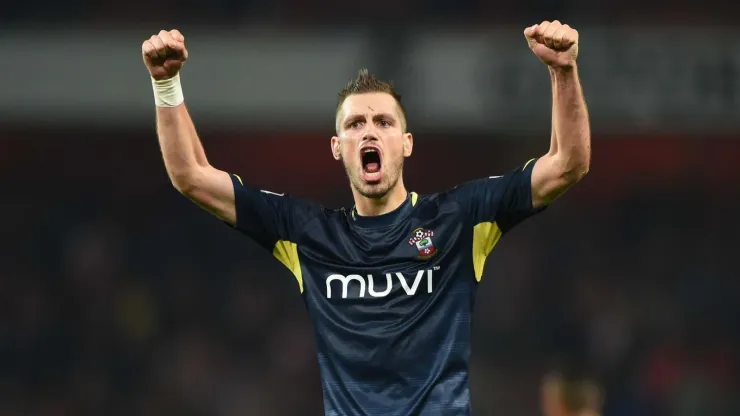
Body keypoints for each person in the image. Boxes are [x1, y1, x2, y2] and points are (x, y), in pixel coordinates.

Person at [141, 20, 590, 416]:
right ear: (337, 147)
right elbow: (191, 176)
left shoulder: (459, 219)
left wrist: (563, 71)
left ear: (406, 143)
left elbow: (567, 165)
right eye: (355, 124)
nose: (369, 131)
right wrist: (166, 84)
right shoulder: (308, 233)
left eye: (383, 122)